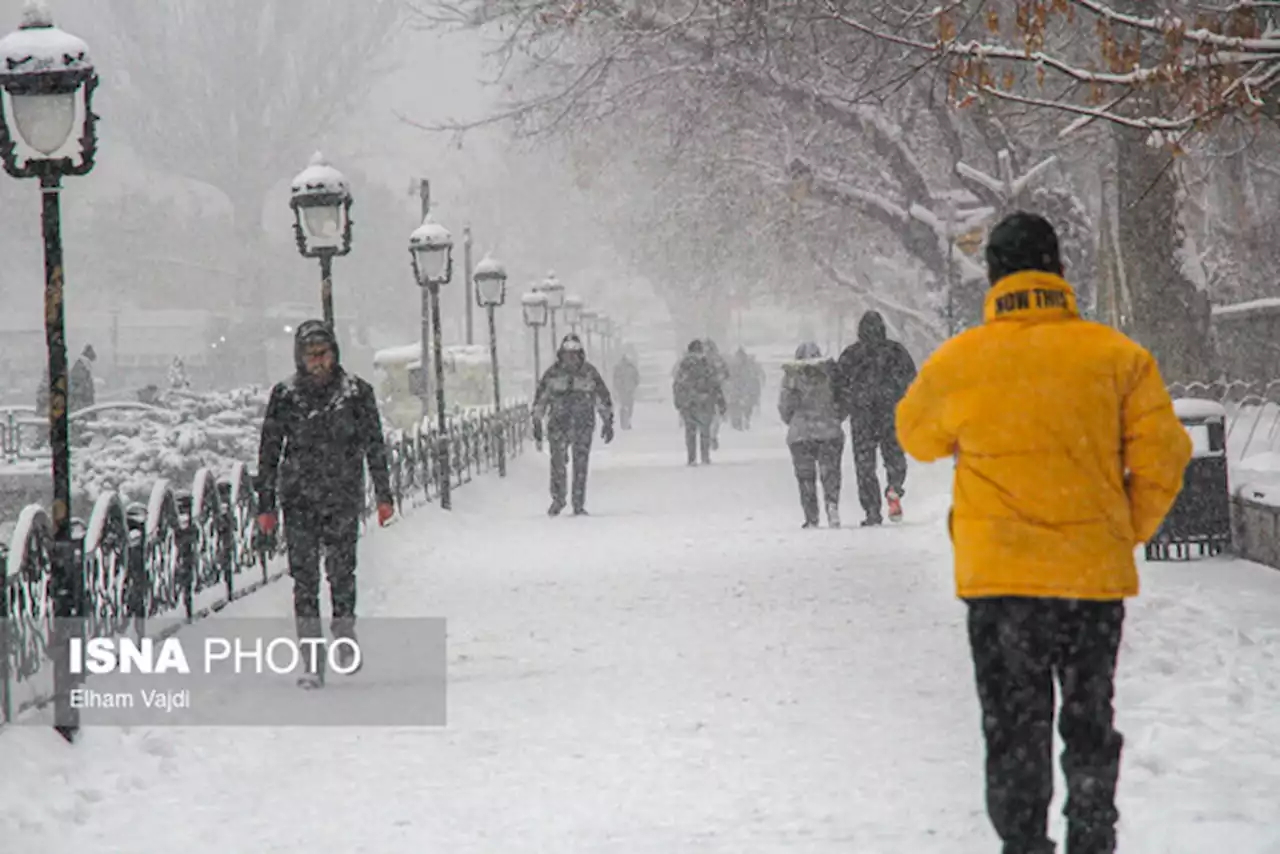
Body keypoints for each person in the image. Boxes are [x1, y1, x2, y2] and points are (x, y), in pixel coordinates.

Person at [895, 212, 1193, 854]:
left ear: (994, 276)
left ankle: (1023, 842)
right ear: (1058, 269)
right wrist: (1123, 528)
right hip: (1090, 582)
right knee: (1089, 722)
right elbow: (1165, 456)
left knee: (1014, 727)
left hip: (1000, 586)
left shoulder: (961, 362)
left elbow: (915, 437)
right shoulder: (1118, 358)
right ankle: (1091, 833)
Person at [255, 320, 395, 689]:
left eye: (323, 354)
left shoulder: (356, 394)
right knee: (304, 580)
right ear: (299, 358)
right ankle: (312, 660)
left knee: (341, 572)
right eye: (310, 355)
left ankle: (344, 632)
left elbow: (374, 444)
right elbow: (269, 451)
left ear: (335, 354)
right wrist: (265, 504)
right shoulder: (285, 396)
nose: (318, 362)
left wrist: (384, 495)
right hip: (299, 499)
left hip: (342, 496)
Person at [835, 311, 916, 525]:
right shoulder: (896, 352)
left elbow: (839, 385)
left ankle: (872, 510)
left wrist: (846, 406)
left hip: (862, 416)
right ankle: (894, 487)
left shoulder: (851, 355)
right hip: (891, 412)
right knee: (894, 455)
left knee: (865, 464)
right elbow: (911, 378)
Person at [531, 334, 614, 516]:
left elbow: (602, 398)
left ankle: (578, 502)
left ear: (580, 355)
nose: (571, 359)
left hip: (583, 425)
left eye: (574, 354)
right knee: (558, 463)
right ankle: (558, 499)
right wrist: (536, 421)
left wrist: (608, 421)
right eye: (567, 354)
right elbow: (541, 399)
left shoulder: (589, 374)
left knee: (580, 464)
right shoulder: (552, 374)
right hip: (558, 425)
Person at [778, 342, 844, 528]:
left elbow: (785, 407)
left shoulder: (791, 378)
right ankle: (832, 504)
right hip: (829, 431)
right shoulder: (830, 375)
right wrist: (836, 417)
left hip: (801, 434)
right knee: (830, 472)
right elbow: (842, 399)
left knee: (805, 476)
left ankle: (811, 516)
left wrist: (793, 420)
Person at [672, 340, 726, 465]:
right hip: (704, 402)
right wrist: (720, 401)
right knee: (704, 431)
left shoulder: (683, 366)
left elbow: (677, 385)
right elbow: (715, 384)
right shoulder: (706, 365)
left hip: (689, 404)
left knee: (691, 431)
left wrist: (679, 401)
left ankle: (692, 458)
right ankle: (704, 456)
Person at [703, 339, 730, 449]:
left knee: (713, 416)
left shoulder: (703, 360)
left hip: (709, 391)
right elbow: (726, 374)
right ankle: (711, 436)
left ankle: (710, 436)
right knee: (715, 416)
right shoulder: (718, 360)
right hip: (714, 391)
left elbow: (726, 374)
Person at [612, 353, 641, 430]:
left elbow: (614, 379)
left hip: (622, 390)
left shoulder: (618, 368)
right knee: (629, 406)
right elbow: (637, 378)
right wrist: (634, 386)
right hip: (628, 390)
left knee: (624, 406)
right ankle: (627, 421)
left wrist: (616, 388)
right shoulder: (631, 367)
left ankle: (624, 422)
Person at [68, 344, 96, 414]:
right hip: (80, 403)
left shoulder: (81, 367)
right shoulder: (81, 368)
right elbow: (79, 387)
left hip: (82, 402)